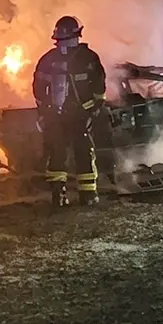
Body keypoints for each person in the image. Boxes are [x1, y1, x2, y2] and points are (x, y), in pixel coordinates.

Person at [33, 16, 107, 207]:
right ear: (78, 33)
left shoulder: (47, 59)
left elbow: (38, 88)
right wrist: (93, 108)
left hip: (55, 116)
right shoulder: (89, 57)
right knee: (83, 151)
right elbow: (99, 86)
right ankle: (88, 195)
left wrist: (45, 110)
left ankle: (59, 196)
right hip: (80, 114)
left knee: (57, 153)